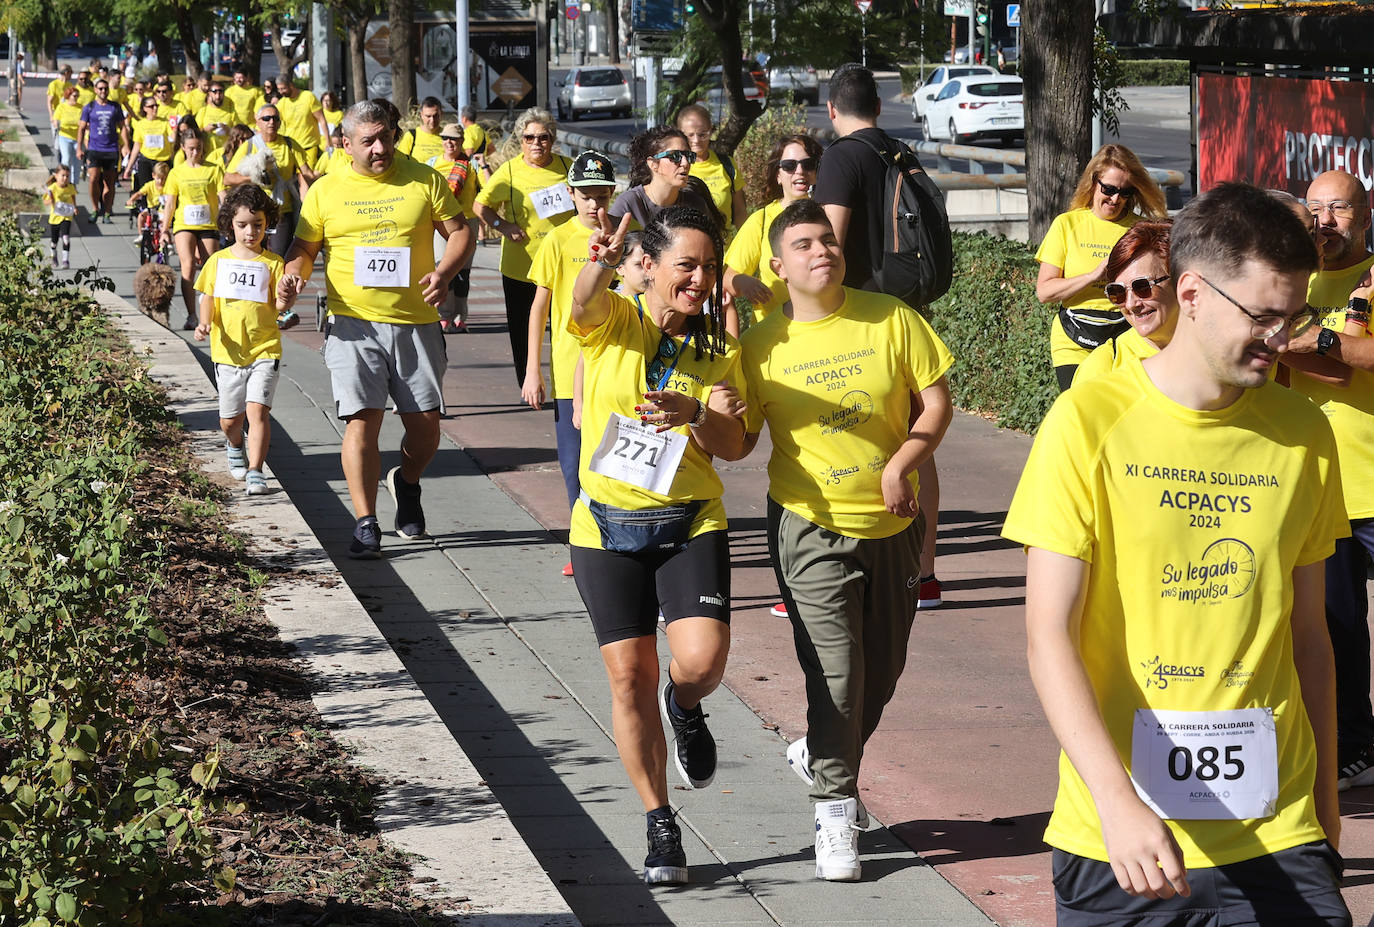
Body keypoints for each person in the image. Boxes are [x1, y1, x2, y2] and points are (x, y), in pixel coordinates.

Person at [1003, 182, 1349, 926]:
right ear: (1191, 291)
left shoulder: (1304, 433)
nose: (1279, 337)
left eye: (1294, 316)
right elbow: (1047, 636)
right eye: (1262, 315)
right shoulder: (1085, 423)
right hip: (1123, 834)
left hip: (1279, 827)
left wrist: (1324, 798)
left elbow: (1311, 636)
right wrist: (1117, 801)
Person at [738, 199, 953, 881]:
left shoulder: (891, 317)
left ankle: (824, 751)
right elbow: (739, 442)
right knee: (837, 672)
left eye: (826, 240)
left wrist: (899, 464)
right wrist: (698, 416)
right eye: (802, 244)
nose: (820, 250)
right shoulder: (761, 344)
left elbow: (936, 401)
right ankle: (834, 810)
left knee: (881, 673)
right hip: (808, 522)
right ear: (778, 266)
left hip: (891, 522)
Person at [569, 204, 749, 885]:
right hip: (606, 527)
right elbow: (583, 301)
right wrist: (600, 258)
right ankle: (659, 821)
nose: (699, 279)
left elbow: (733, 446)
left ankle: (686, 705)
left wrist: (697, 412)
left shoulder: (718, 348)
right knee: (627, 675)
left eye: (709, 267)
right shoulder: (617, 318)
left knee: (698, 662)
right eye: (687, 265)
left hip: (689, 519)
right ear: (649, 266)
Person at [277, 99, 474, 557]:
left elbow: (461, 232)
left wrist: (443, 274)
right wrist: (292, 281)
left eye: (386, 136)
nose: (380, 147)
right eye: (368, 141)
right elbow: (304, 249)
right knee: (361, 420)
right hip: (352, 324)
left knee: (425, 427)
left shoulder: (424, 179)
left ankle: (406, 481)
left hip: (416, 322)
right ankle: (365, 522)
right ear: (346, 144)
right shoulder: (326, 190)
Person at [813, 63, 947, 611]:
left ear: (831, 109)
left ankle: (851, 569)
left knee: (855, 433)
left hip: (864, 316)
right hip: (910, 310)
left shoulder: (841, 157)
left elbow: (829, 245)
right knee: (920, 439)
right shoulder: (899, 151)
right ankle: (926, 574)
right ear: (879, 105)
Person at [1279, 169, 1374, 795]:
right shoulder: (1292, 281)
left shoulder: (1369, 279)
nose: (1324, 221)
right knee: (1334, 627)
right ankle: (1355, 747)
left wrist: (1323, 339)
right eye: (1314, 208)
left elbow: (1363, 357)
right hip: (1323, 487)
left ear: (1364, 213)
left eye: (1338, 207)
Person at [523, 151, 618, 573]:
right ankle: (584, 544)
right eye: (586, 196)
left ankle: (615, 538)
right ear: (570, 194)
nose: (595, 205)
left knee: (612, 459)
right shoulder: (557, 241)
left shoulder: (624, 240)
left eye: (602, 195)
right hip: (567, 374)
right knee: (573, 463)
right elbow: (538, 308)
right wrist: (533, 369)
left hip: (616, 368)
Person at [1034, 143, 1167, 391]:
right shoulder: (1067, 224)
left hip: (1125, 336)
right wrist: (1094, 275)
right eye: (1109, 189)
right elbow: (1045, 292)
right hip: (1074, 339)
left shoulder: (1141, 230)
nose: (1116, 199)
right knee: (1081, 410)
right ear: (1094, 182)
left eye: (1125, 192)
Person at [193, 183, 292, 497]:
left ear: (267, 224)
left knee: (257, 412)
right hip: (227, 352)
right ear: (229, 225)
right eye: (243, 225)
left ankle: (255, 470)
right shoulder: (218, 261)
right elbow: (208, 297)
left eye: (258, 225)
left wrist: (286, 301)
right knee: (229, 420)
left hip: (265, 349)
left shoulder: (274, 263)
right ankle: (235, 445)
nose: (251, 232)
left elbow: (278, 305)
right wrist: (205, 323)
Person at [472, 108, 575, 384]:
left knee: (568, 329)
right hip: (522, 267)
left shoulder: (568, 168)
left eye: (543, 137)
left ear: (552, 139)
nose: (536, 144)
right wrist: (502, 227)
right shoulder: (509, 171)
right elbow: (480, 205)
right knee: (523, 330)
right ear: (520, 140)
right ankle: (528, 382)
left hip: (563, 267)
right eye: (529, 138)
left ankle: (566, 384)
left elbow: (589, 201)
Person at [724, 133, 823, 327]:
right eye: (789, 166)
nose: (800, 171)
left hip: (822, 327)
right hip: (774, 336)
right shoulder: (760, 221)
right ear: (778, 175)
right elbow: (726, 276)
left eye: (808, 164)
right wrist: (743, 281)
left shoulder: (830, 216)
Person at [1071, 221, 1175, 384]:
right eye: (1117, 292)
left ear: (1180, 282)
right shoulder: (1103, 368)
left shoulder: (1220, 353)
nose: (1131, 304)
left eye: (1142, 286)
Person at [224, 103, 315, 257]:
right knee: (254, 255)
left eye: (275, 118)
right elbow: (227, 178)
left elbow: (307, 174)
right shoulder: (250, 145)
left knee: (279, 255)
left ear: (280, 122)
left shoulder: (290, 144)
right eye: (266, 118)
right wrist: (254, 177)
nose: (271, 122)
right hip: (255, 210)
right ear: (258, 122)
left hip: (281, 210)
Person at [163, 131, 223, 330]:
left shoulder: (214, 170)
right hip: (184, 224)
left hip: (208, 225)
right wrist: (164, 229)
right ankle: (191, 315)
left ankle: (210, 313)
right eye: (191, 149)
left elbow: (223, 197)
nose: (195, 152)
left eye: (198, 148)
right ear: (183, 148)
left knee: (209, 269)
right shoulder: (176, 172)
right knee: (188, 266)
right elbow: (170, 203)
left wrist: (229, 221)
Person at [607, 126, 715, 233]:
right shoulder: (629, 203)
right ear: (653, 163)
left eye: (688, 155)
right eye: (675, 156)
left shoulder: (695, 204)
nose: (685, 163)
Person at [425, 123, 480, 333]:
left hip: (467, 221)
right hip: (441, 223)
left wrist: (484, 167)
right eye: (446, 138)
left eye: (454, 139)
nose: (449, 142)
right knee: (443, 268)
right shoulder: (431, 164)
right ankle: (444, 315)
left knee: (463, 273)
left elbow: (485, 191)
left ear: (461, 141)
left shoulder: (471, 165)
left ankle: (461, 316)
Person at [676, 104, 746, 239]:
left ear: (711, 132)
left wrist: (747, 244)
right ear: (680, 134)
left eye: (702, 134)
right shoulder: (675, 167)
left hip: (725, 251)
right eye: (690, 135)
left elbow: (740, 212)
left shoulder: (727, 164)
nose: (696, 140)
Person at [77, 77, 127, 224]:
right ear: (95, 90)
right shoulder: (89, 107)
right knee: (93, 179)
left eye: (105, 89)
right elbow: (81, 128)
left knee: (109, 182)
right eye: (100, 89)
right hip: (94, 148)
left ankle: (107, 211)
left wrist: (125, 145)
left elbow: (122, 126)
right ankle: (94, 208)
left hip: (111, 149)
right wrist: (79, 148)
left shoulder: (115, 107)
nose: (103, 91)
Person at [124, 96, 177, 193]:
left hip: (163, 161)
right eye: (151, 106)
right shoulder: (141, 124)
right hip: (146, 160)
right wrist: (129, 167)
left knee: (164, 190)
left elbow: (173, 138)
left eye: (156, 105)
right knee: (145, 189)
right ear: (144, 108)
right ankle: (144, 207)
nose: (155, 108)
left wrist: (175, 129)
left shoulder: (165, 122)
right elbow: (137, 146)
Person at [275, 77, 328, 164]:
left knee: (307, 176)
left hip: (309, 146)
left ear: (291, 85)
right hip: (292, 148)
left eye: (283, 88)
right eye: (279, 89)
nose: (281, 92)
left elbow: (321, 119)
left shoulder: (308, 96)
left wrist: (328, 141)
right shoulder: (281, 103)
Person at [43, 164, 77, 269]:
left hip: (66, 217)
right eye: (63, 175)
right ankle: (54, 256)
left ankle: (65, 260)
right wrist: (51, 200)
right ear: (56, 176)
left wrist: (75, 208)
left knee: (66, 238)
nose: (65, 178)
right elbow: (45, 202)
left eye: (67, 176)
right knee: (54, 241)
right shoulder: (52, 188)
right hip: (55, 218)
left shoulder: (70, 187)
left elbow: (73, 197)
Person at [397, 96, 446, 163]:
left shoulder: (447, 136)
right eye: (428, 116)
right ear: (421, 115)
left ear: (441, 114)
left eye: (436, 116)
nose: (432, 120)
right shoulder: (412, 136)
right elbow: (400, 161)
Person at [196, 82, 238, 155]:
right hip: (207, 154)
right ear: (209, 93)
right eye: (214, 92)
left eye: (220, 92)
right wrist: (205, 130)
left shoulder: (231, 111)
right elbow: (194, 133)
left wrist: (228, 130)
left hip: (225, 154)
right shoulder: (203, 111)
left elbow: (238, 133)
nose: (218, 96)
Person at [51, 86, 83, 177]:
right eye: (74, 96)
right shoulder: (62, 107)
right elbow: (55, 119)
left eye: (77, 96)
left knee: (77, 161)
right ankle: (64, 179)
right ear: (68, 96)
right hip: (64, 136)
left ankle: (74, 183)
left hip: (78, 137)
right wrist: (56, 123)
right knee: (66, 159)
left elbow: (83, 122)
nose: (76, 98)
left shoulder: (80, 107)